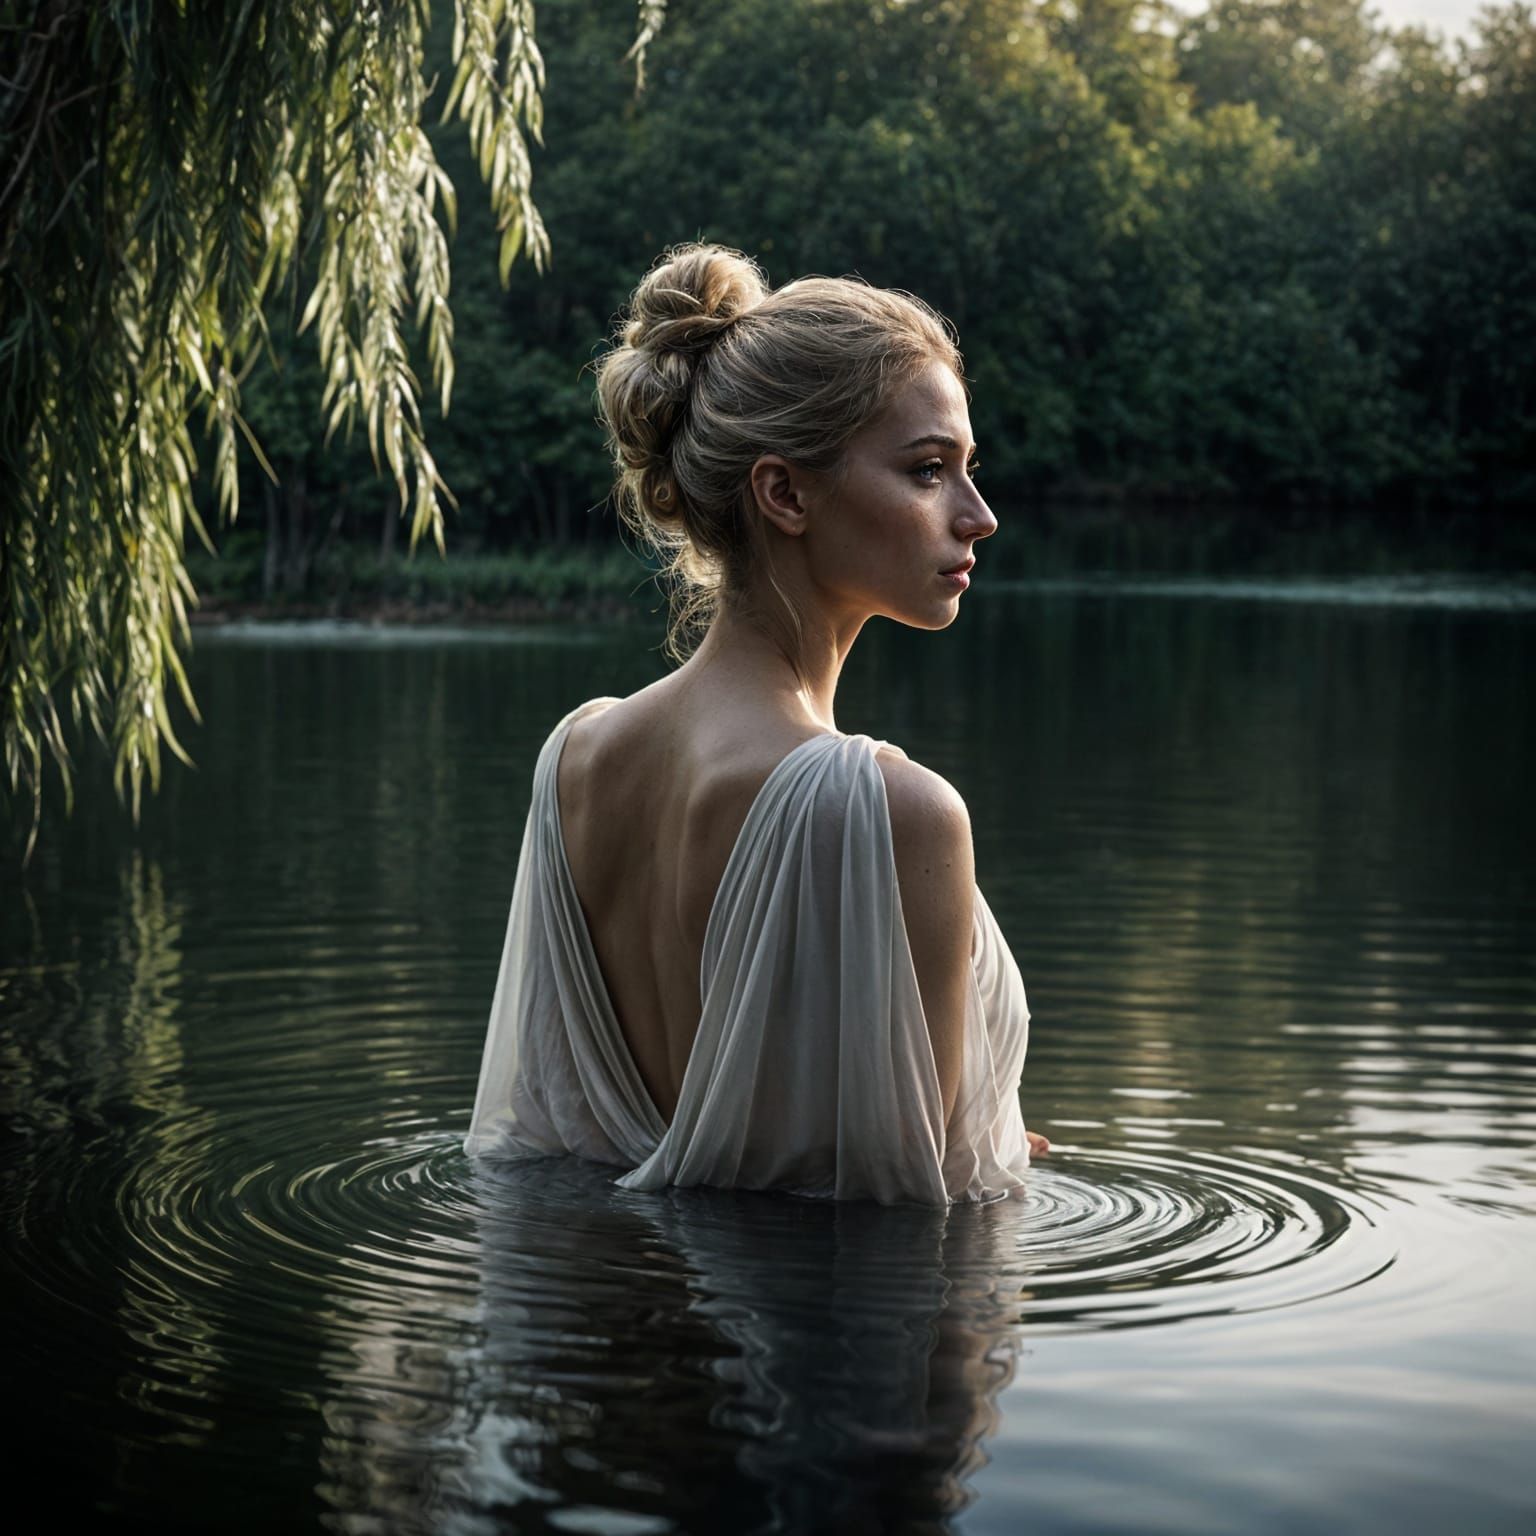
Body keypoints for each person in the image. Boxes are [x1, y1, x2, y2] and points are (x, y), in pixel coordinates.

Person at [465, 242, 1047, 1204]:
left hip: (612, 1340)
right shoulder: (899, 813)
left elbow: (558, 1146)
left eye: (968, 469)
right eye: (928, 470)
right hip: (819, 1347)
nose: (978, 515)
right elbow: (925, 1224)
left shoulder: (575, 759)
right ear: (783, 493)